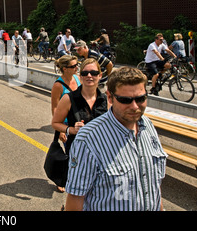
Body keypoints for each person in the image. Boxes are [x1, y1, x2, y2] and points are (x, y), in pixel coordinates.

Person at [64, 66, 167, 211]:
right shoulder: (88, 139)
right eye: (125, 100)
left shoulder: (147, 126)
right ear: (110, 97)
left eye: (140, 98)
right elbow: (76, 197)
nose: (134, 106)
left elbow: (152, 186)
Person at [51, 59, 108, 188]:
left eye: (94, 72)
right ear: (81, 76)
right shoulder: (68, 98)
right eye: (85, 73)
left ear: (100, 75)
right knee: (77, 188)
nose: (89, 76)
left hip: (100, 152)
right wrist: (71, 130)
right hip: (78, 153)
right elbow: (55, 122)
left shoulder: (105, 100)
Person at [50, 55, 81, 192]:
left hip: (80, 121)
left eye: (77, 65)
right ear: (64, 69)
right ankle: (62, 179)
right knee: (69, 153)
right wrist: (61, 130)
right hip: (67, 124)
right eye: (73, 66)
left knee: (81, 153)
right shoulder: (58, 85)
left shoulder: (77, 78)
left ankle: (78, 177)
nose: (76, 68)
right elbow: (55, 108)